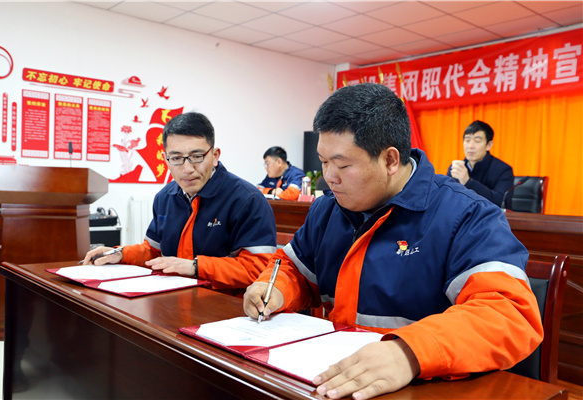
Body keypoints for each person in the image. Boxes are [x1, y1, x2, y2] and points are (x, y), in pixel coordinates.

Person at [243, 83, 542, 400]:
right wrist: (274, 288)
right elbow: (294, 269)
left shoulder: (466, 214)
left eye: (342, 165)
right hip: (335, 377)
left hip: (423, 386)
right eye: (323, 161)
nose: (329, 176)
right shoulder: (327, 209)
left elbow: (508, 314)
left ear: (390, 160)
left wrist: (409, 353)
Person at [83, 112, 277, 294]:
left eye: (197, 157)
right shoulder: (164, 197)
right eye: (176, 158)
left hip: (225, 304)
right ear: (165, 159)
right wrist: (120, 253)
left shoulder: (247, 199)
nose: (187, 169)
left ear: (215, 156)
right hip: (174, 297)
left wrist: (195, 267)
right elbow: (154, 251)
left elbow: (258, 269)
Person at [447, 120, 515, 209]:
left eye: (477, 141)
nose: (470, 146)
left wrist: (468, 182)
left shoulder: (503, 170)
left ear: (489, 145)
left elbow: (500, 202)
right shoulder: (456, 168)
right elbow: (446, 198)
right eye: (467, 140)